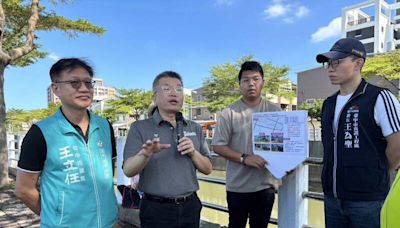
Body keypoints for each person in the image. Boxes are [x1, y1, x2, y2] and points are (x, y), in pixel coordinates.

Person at [15, 58, 118, 227]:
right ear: (56, 89)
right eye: (74, 83)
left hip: (108, 223)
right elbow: (23, 190)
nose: (84, 88)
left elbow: (109, 171)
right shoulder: (40, 132)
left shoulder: (105, 126)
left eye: (88, 83)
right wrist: (56, 217)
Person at [316, 37, 400, 228]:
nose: (330, 68)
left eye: (337, 62)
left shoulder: (379, 97)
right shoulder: (328, 103)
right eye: (328, 63)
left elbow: (397, 145)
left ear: (358, 63)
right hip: (332, 197)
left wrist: (374, 172)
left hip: (368, 200)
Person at [123, 71, 212, 228]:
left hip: (190, 206)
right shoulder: (139, 128)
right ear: (154, 97)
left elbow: (208, 169)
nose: (174, 93)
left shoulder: (194, 127)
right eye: (166, 88)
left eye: (179, 89)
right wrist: (145, 154)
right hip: (155, 209)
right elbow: (128, 170)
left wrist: (193, 152)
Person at [212, 61, 281, 228]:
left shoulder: (275, 110)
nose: (251, 84)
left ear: (263, 82)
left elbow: (283, 144)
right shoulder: (228, 112)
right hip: (238, 187)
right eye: (246, 80)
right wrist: (244, 158)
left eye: (256, 79)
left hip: (265, 185)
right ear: (239, 85)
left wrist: (289, 161)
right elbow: (218, 146)